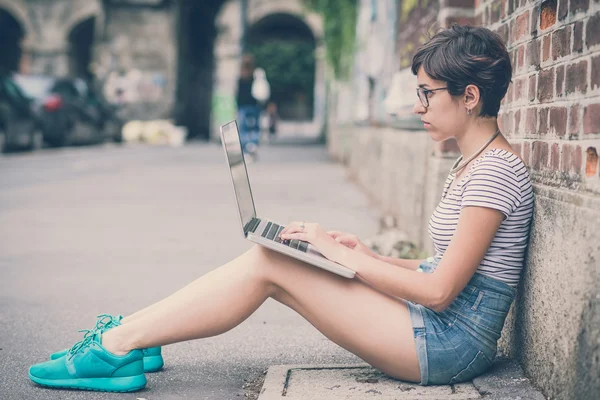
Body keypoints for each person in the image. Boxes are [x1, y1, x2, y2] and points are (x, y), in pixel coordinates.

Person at [28, 24, 534, 392]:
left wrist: (353, 261)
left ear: (469, 96)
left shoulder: (494, 173)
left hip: (447, 346)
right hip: (435, 326)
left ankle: (119, 344)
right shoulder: (476, 164)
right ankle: (134, 336)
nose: (418, 107)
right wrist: (363, 254)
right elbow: (441, 269)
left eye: (427, 93)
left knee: (270, 262)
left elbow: (442, 291)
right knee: (278, 255)